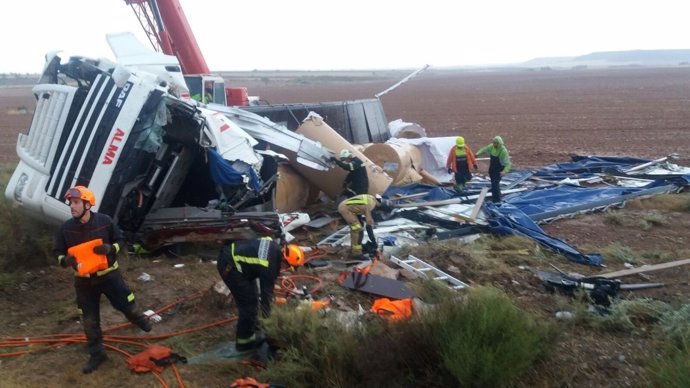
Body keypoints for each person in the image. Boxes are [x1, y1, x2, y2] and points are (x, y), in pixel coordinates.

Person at [53, 186, 152, 374]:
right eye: (71, 203)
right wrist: (65, 261)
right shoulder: (66, 229)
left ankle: (139, 319)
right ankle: (97, 354)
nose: (71, 207)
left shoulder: (104, 222)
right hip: (84, 283)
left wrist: (109, 248)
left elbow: (120, 241)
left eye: (76, 203)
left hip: (109, 277)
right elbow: (57, 252)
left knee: (126, 304)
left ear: (87, 204)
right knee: (89, 320)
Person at [217, 237, 304, 351]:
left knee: (253, 297)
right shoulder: (270, 265)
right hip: (230, 266)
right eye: (288, 267)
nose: (286, 269)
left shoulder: (274, 247)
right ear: (284, 260)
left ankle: (255, 326)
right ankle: (244, 343)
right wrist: (269, 325)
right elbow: (266, 296)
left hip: (240, 265)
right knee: (248, 305)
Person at [475, 135, 511, 202]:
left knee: (495, 185)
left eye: (495, 143)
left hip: (499, 170)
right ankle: (497, 196)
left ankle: (496, 201)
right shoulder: (491, 147)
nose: (494, 144)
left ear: (499, 143)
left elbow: (508, 164)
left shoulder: (503, 151)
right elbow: (484, 149)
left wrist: (505, 171)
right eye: (493, 142)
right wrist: (477, 154)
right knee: (494, 184)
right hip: (492, 169)